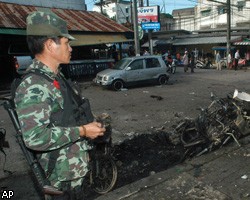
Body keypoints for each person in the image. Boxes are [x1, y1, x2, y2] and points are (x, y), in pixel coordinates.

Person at [14, 10, 106, 199]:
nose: (71, 48)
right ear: (50, 45)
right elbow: (35, 137)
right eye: (66, 42)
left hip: (74, 174)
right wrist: (82, 131)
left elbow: (67, 117)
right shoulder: (34, 86)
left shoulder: (57, 77)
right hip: (60, 182)